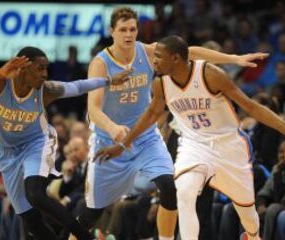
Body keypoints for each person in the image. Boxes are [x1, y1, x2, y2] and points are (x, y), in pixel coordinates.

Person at [77, 6, 269, 240]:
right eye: (123, 30)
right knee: (92, 212)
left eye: (133, 29)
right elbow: (93, 109)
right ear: (111, 31)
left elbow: (190, 52)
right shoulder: (101, 63)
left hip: (145, 136)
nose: (128, 34)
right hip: (109, 138)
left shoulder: (146, 52)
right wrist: (113, 128)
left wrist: (233, 59)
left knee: (170, 188)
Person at [96, 35, 285, 240]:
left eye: (159, 57)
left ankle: (253, 235)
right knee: (184, 192)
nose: (154, 61)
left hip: (228, 144)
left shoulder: (210, 74)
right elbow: (151, 114)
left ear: (176, 58)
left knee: (246, 210)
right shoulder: (161, 83)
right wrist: (123, 144)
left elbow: (250, 106)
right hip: (194, 144)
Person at [0, 47, 132, 240]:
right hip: (6, 151)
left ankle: (84, 237)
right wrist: (0, 72)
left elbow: (77, 86)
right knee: (31, 222)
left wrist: (109, 80)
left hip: (35, 143)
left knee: (34, 193)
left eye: (46, 68)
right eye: (39, 68)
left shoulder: (46, 91)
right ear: (23, 68)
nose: (44, 74)